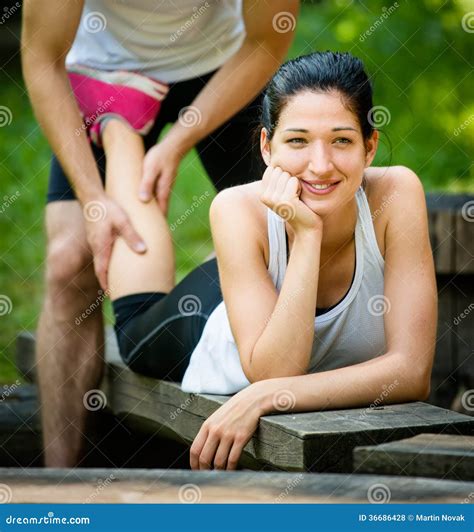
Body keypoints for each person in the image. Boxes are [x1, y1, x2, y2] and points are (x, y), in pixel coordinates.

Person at [106, 51, 438, 471]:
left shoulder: (397, 194)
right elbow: (276, 370)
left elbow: (411, 372)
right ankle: (120, 127)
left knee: (254, 267)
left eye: (341, 140)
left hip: (262, 281)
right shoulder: (236, 208)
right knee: (133, 333)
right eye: (298, 140)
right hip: (211, 319)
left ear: (369, 147)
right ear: (267, 146)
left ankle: (241, 262)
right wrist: (306, 235)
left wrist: (263, 398)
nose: (320, 165)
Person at [21, 0, 298, 466]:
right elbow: (41, 58)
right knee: (70, 260)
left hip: (225, 62)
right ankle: (60, 482)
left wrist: (176, 142)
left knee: (288, 230)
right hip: (104, 74)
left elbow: (267, 39)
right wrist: (93, 198)